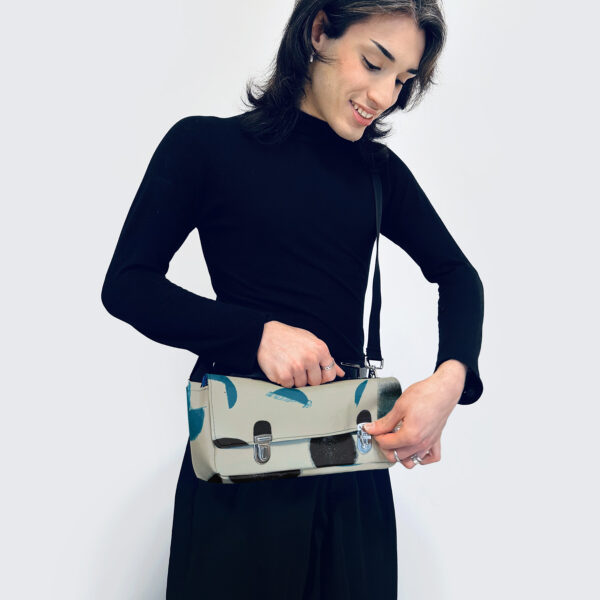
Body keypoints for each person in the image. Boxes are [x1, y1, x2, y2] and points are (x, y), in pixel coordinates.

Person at [100, 1, 484, 598]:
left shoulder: (378, 172)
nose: (383, 96)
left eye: (402, 80)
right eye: (374, 63)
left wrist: (448, 382)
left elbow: (458, 275)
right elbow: (128, 284)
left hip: (351, 470)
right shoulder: (204, 146)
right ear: (319, 31)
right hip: (240, 467)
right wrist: (257, 334)